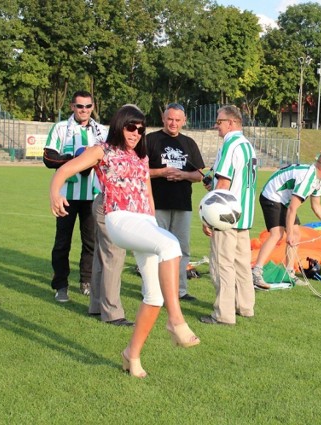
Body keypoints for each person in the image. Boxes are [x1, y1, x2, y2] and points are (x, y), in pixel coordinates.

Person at [50, 104, 200, 378]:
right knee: (172, 245)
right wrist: (54, 193)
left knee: (153, 295)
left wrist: (154, 222)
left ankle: (131, 355)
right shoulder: (102, 150)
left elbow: (147, 192)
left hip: (144, 221)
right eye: (131, 127)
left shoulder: (141, 156)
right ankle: (176, 320)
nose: (136, 133)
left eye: (141, 129)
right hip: (118, 218)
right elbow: (64, 171)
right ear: (120, 125)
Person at [43, 90, 106, 302]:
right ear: (72, 107)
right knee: (62, 242)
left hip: (93, 195)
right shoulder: (61, 128)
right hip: (66, 196)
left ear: (93, 107)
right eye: (80, 106)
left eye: (88, 106)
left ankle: (86, 280)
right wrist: (74, 160)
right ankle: (60, 285)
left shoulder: (101, 131)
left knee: (91, 242)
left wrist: (91, 162)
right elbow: (48, 157)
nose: (84, 110)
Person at [200, 105, 257, 326]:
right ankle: (245, 306)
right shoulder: (247, 146)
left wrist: (208, 216)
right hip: (244, 215)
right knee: (242, 263)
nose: (216, 126)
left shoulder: (230, 144)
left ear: (231, 123)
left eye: (219, 121)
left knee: (223, 264)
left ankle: (223, 314)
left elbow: (223, 183)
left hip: (226, 217)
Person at [251, 153, 321, 288]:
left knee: (297, 235)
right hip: (272, 196)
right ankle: (256, 272)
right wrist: (289, 234)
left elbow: (316, 205)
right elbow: (293, 208)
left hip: (284, 201)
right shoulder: (308, 179)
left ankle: (288, 273)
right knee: (278, 234)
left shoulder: (317, 180)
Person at [147, 103, 205, 301]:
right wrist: (161, 172)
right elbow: (139, 171)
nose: (173, 123)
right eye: (170, 119)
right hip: (156, 203)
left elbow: (199, 175)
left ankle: (179, 290)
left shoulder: (188, 143)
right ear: (163, 119)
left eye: (177, 120)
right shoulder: (150, 140)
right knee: (155, 248)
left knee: (182, 248)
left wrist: (182, 175)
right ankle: (153, 291)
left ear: (184, 121)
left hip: (182, 204)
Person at [88, 191, 132, 326]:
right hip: (113, 205)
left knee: (103, 256)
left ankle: (96, 306)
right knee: (114, 256)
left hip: (108, 203)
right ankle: (112, 313)